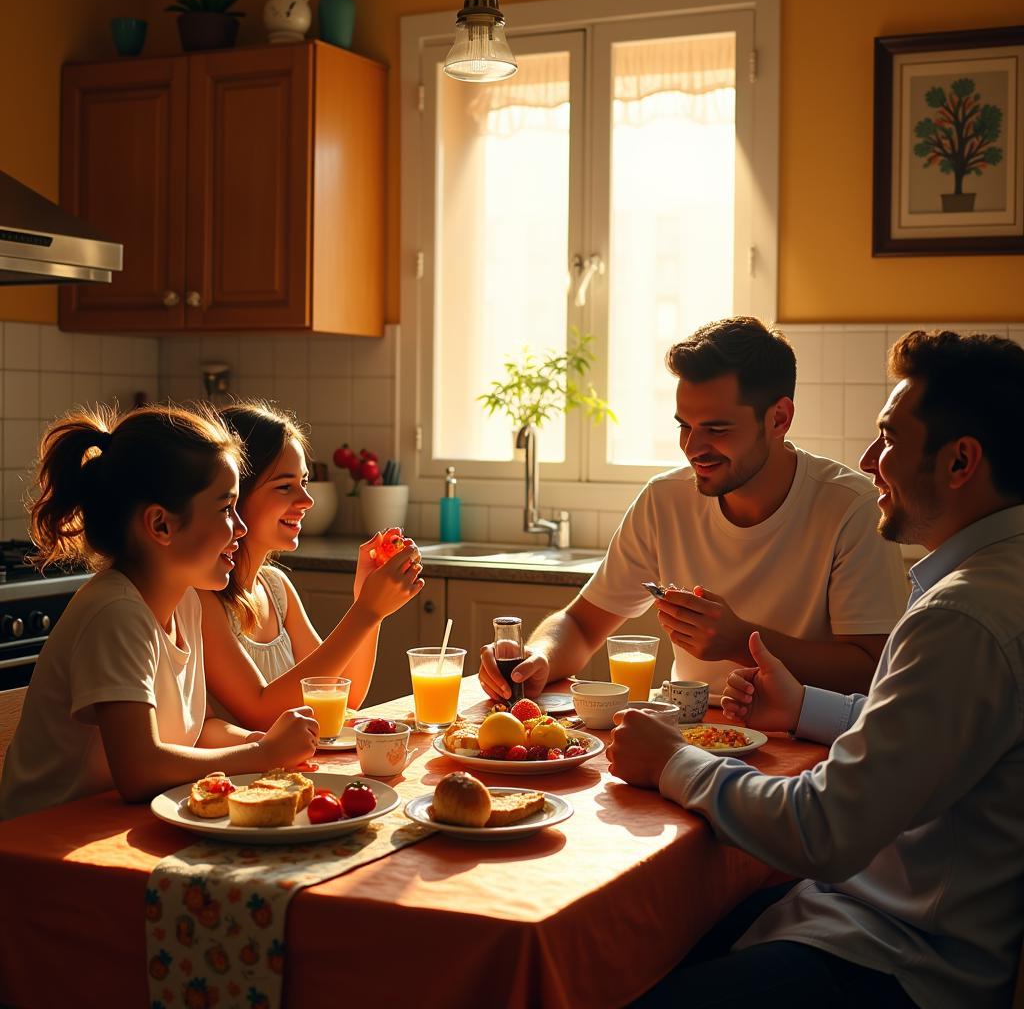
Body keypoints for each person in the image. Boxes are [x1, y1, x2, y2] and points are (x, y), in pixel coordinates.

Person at [610, 330, 1024, 1008]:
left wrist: (670, 763)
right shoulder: (990, 582)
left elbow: (823, 829)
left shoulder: (966, 616)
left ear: (960, 462)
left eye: (889, 438)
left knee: (624, 972)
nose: (869, 461)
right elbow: (922, 735)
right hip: (864, 915)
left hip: (898, 958)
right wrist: (802, 708)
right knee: (637, 946)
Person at [480, 317, 907, 704]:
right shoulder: (665, 500)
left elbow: (871, 672)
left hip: (806, 749)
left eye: (716, 429)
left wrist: (743, 642)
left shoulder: (851, 508)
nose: (693, 448)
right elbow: (580, 624)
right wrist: (538, 657)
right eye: (685, 425)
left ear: (779, 419)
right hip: (686, 738)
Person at [0, 404, 319, 820]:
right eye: (225, 509)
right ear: (160, 525)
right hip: (42, 845)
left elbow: (198, 729)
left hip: (112, 825)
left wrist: (258, 741)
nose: (240, 528)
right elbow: (139, 771)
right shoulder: (115, 613)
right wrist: (260, 754)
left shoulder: (184, 602)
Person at [199, 400, 423, 731]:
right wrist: (367, 612)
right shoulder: (203, 598)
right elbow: (260, 713)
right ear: (235, 494)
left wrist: (368, 602)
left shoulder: (275, 588)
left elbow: (344, 696)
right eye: (285, 486)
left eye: (304, 482)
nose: (306, 501)